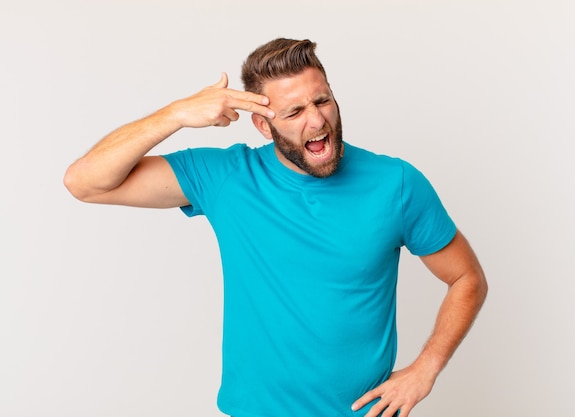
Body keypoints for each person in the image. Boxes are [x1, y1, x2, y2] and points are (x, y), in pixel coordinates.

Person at [64, 38, 487, 417]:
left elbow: (466, 277)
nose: (317, 121)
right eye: (295, 111)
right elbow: (84, 182)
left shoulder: (395, 183)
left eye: (322, 101)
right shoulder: (226, 177)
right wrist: (175, 114)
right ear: (263, 125)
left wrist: (425, 369)